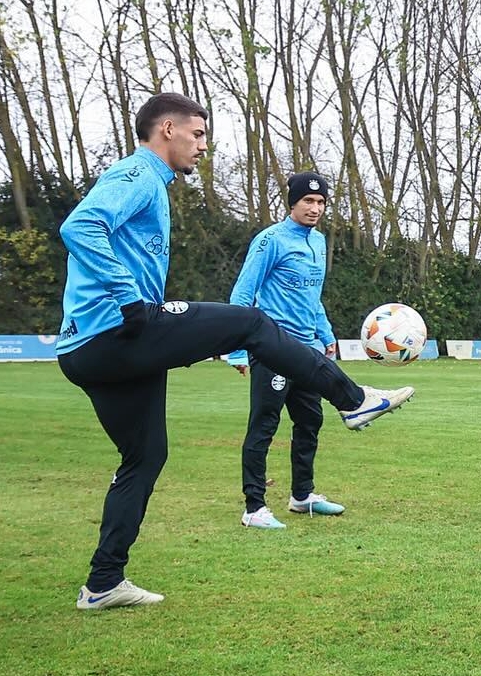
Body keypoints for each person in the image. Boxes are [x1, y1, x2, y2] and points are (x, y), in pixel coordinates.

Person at [56, 93, 414, 611]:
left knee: (145, 457)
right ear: (168, 129)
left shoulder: (154, 183)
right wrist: (128, 297)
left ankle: (103, 583)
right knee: (250, 322)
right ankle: (354, 399)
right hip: (115, 331)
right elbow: (79, 227)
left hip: (91, 350)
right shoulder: (138, 174)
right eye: (198, 134)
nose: (204, 145)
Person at [227, 172, 347, 530]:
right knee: (264, 424)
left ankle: (302, 495)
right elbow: (243, 292)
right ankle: (254, 507)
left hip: (306, 350)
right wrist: (237, 350)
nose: (315, 208)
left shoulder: (319, 242)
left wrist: (325, 333)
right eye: (308, 201)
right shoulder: (271, 240)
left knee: (310, 420)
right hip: (272, 347)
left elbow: (312, 297)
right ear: (293, 202)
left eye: (321, 202)